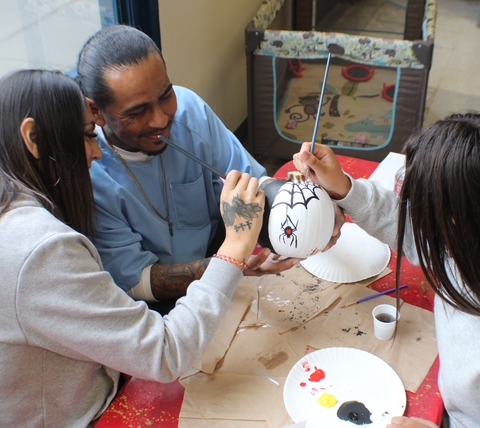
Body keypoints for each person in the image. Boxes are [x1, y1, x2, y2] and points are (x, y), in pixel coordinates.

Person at [0, 69, 265, 426]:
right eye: (86, 136)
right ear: (33, 137)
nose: (97, 153)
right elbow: (164, 353)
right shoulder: (36, 250)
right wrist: (236, 246)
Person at [292, 112, 480, 427]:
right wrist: (344, 188)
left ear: (455, 224)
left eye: (420, 210)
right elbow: (422, 237)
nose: (416, 223)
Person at [76, 24, 309, 304]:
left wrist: (304, 204)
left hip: (224, 259)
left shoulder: (189, 111)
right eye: (137, 113)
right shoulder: (92, 174)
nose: (160, 120)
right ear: (95, 112)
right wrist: (231, 263)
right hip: (156, 308)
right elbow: (136, 281)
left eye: (165, 96)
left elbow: (255, 184)